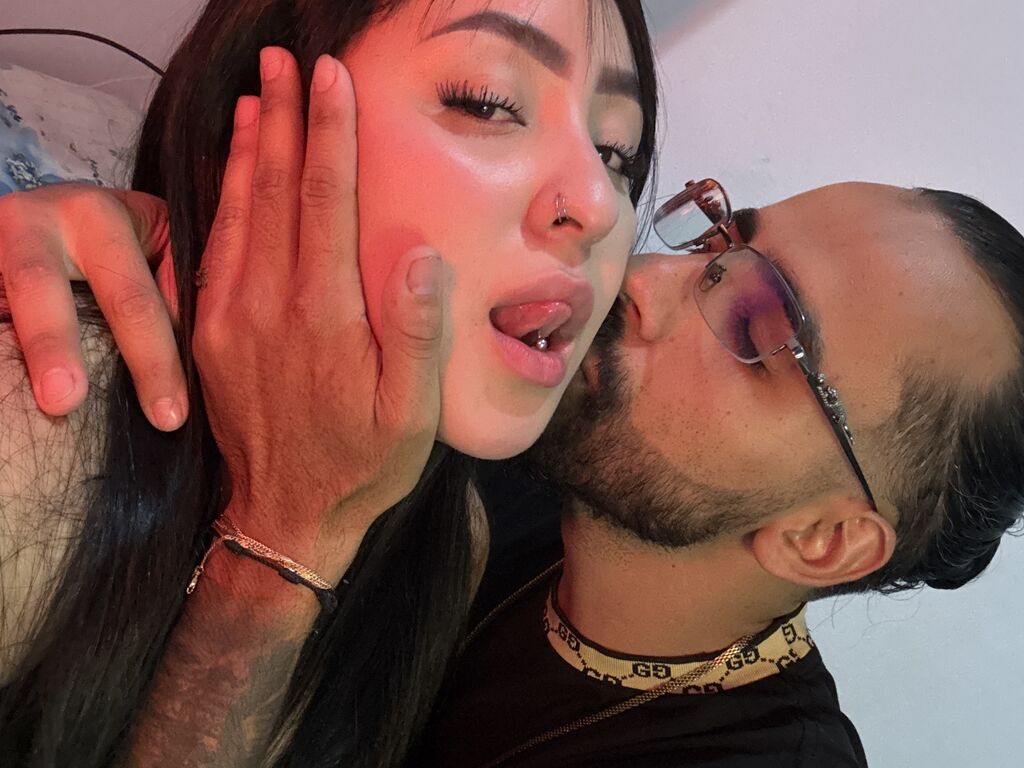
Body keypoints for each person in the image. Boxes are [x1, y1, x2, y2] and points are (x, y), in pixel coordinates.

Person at [0, 0, 658, 765]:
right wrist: (283, 540)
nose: (600, 203)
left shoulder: (454, 533)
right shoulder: (38, 427)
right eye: (487, 102)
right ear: (252, 120)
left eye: (617, 151)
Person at [416, 179, 1024, 765]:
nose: (644, 278)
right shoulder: (518, 445)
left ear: (823, 539)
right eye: (717, 245)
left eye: (753, 329)